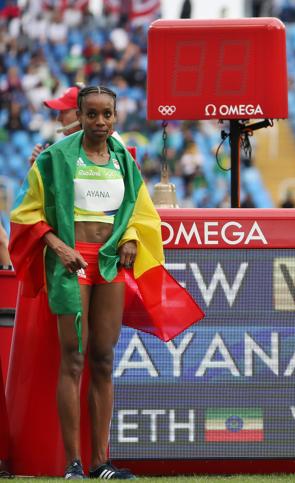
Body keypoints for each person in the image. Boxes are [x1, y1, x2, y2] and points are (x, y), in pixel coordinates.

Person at [9, 86, 203, 479]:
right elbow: (26, 215)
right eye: (92, 114)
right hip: (72, 263)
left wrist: (131, 237)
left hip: (110, 263)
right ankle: (73, 464)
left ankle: (100, 463)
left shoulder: (123, 160)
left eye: (107, 115)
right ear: (78, 116)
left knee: (103, 358)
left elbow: (139, 211)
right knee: (74, 359)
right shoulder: (54, 158)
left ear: (116, 117)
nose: (100, 122)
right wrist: (60, 248)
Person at [29, 84, 83, 165]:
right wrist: (41, 169)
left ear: (81, 114)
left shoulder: (101, 149)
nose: (58, 118)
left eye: (63, 112)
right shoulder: (64, 149)